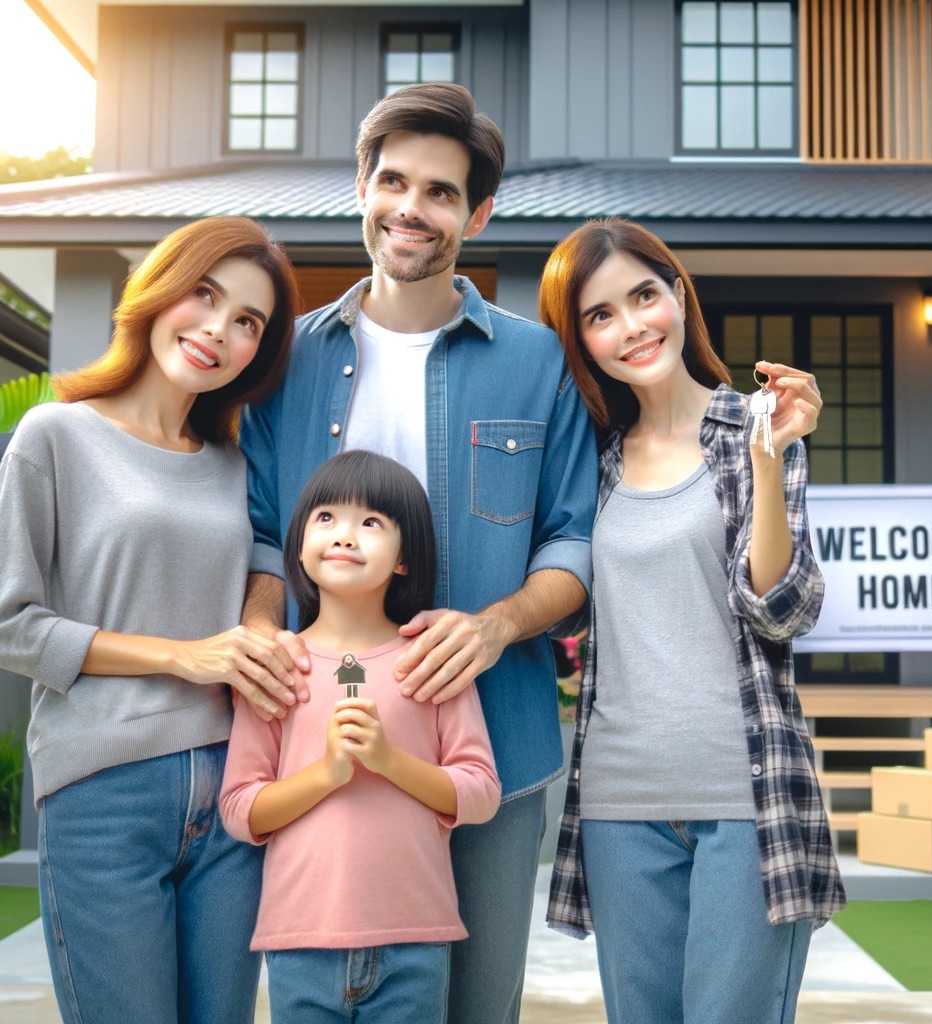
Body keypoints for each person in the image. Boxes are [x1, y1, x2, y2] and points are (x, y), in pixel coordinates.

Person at [239, 82, 598, 1024]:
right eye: (393, 180)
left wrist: (501, 623)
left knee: (480, 1010)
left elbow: (574, 537)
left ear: (477, 212)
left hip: (492, 748)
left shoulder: (540, 362)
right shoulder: (288, 360)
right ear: (362, 188)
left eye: (441, 192)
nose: (412, 207)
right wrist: (260, 637)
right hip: (317, 745)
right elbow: (259, 530)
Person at [538, 218, 846, 1024]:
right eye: (600, 315)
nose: (632, 326)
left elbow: (779, 609)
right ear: (582, 341)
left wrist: (769, 460)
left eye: (644, 295)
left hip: (744, 796)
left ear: (679, 294)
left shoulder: (753, 427)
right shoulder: (591, 459)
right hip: (616, 800)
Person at [0, 216, 305, 1024]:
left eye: (248, 321)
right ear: (159, 290)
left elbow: (267, 560)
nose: (218, 330)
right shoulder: (56, 435)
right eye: (205, 295)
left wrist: (260, 629)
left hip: (234, 793)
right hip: (105, 792)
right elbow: (11, 624)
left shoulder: (236, 464)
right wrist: (184, 657)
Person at [220, 449, 501, 1023]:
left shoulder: (430, 661)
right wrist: (326, 774)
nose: (345, 535)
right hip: (299, 942)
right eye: (326, 518)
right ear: (297, 544)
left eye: (371, 523)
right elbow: (239, 810)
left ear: (404, 560)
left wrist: (387, 758)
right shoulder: (278, 665)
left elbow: (481, 793)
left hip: (415, 940)